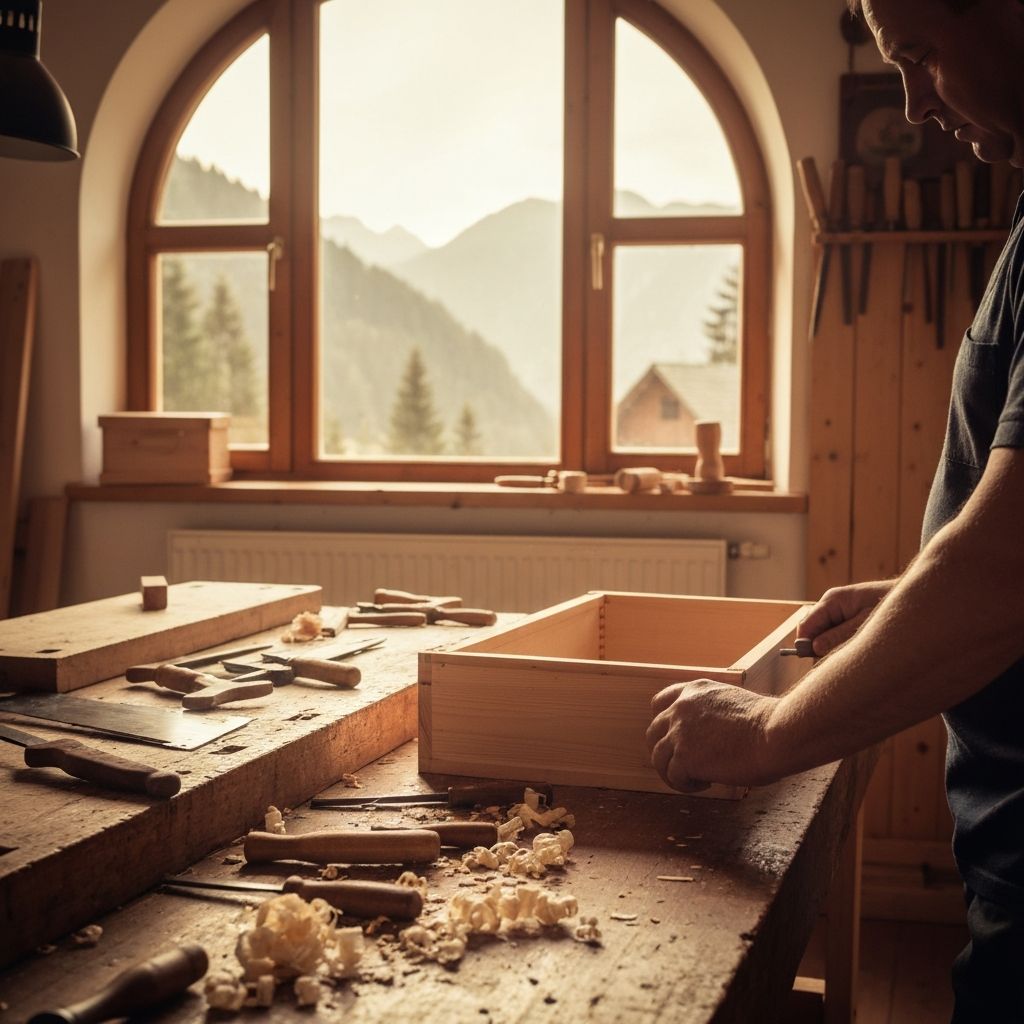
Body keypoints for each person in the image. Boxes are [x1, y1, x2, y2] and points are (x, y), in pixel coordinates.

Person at [645, 0, 1024, 1018]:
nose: (912, 100)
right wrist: (910, 596)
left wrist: (764, 734)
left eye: (920, 55)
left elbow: (1004, 568)